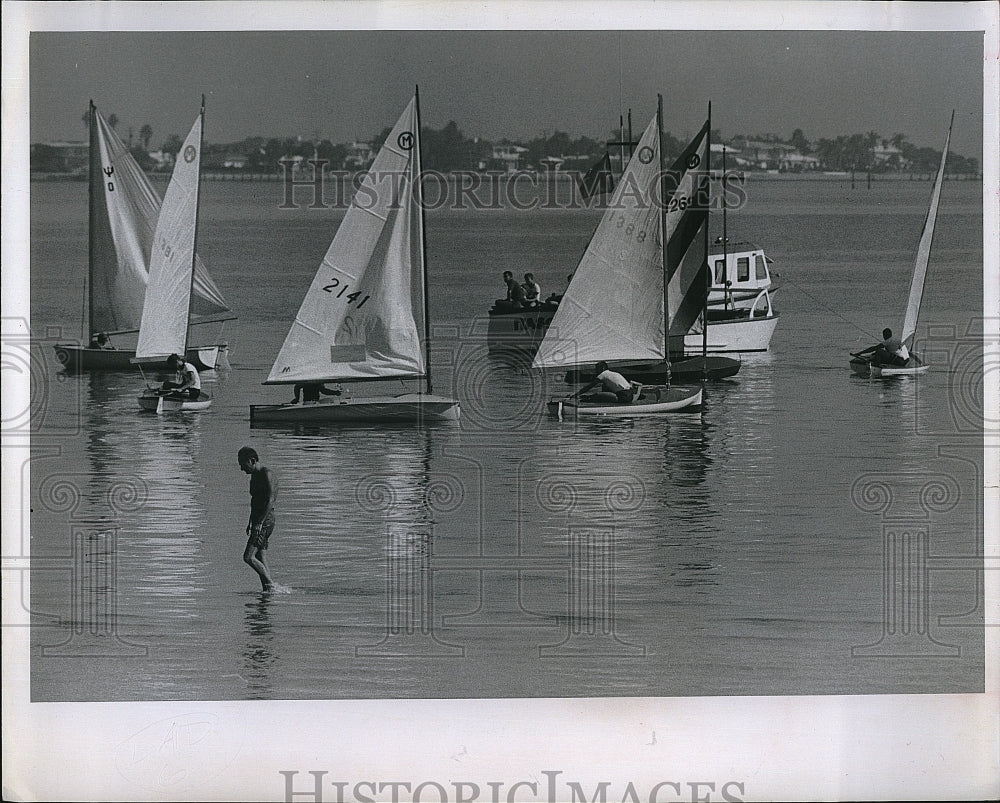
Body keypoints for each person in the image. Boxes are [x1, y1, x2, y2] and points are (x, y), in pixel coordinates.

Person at [238, 446, 276, 591]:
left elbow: (270, 501)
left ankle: (271, 585)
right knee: (260, 556)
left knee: (248, 557)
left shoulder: (267, 474)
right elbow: (255, 501)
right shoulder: (254, 477)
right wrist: (250, 521)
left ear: (252, 460)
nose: (242, 469)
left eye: (243, 464)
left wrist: (259, 523)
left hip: (265, 520)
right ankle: (267, 591)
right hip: (258, 520)